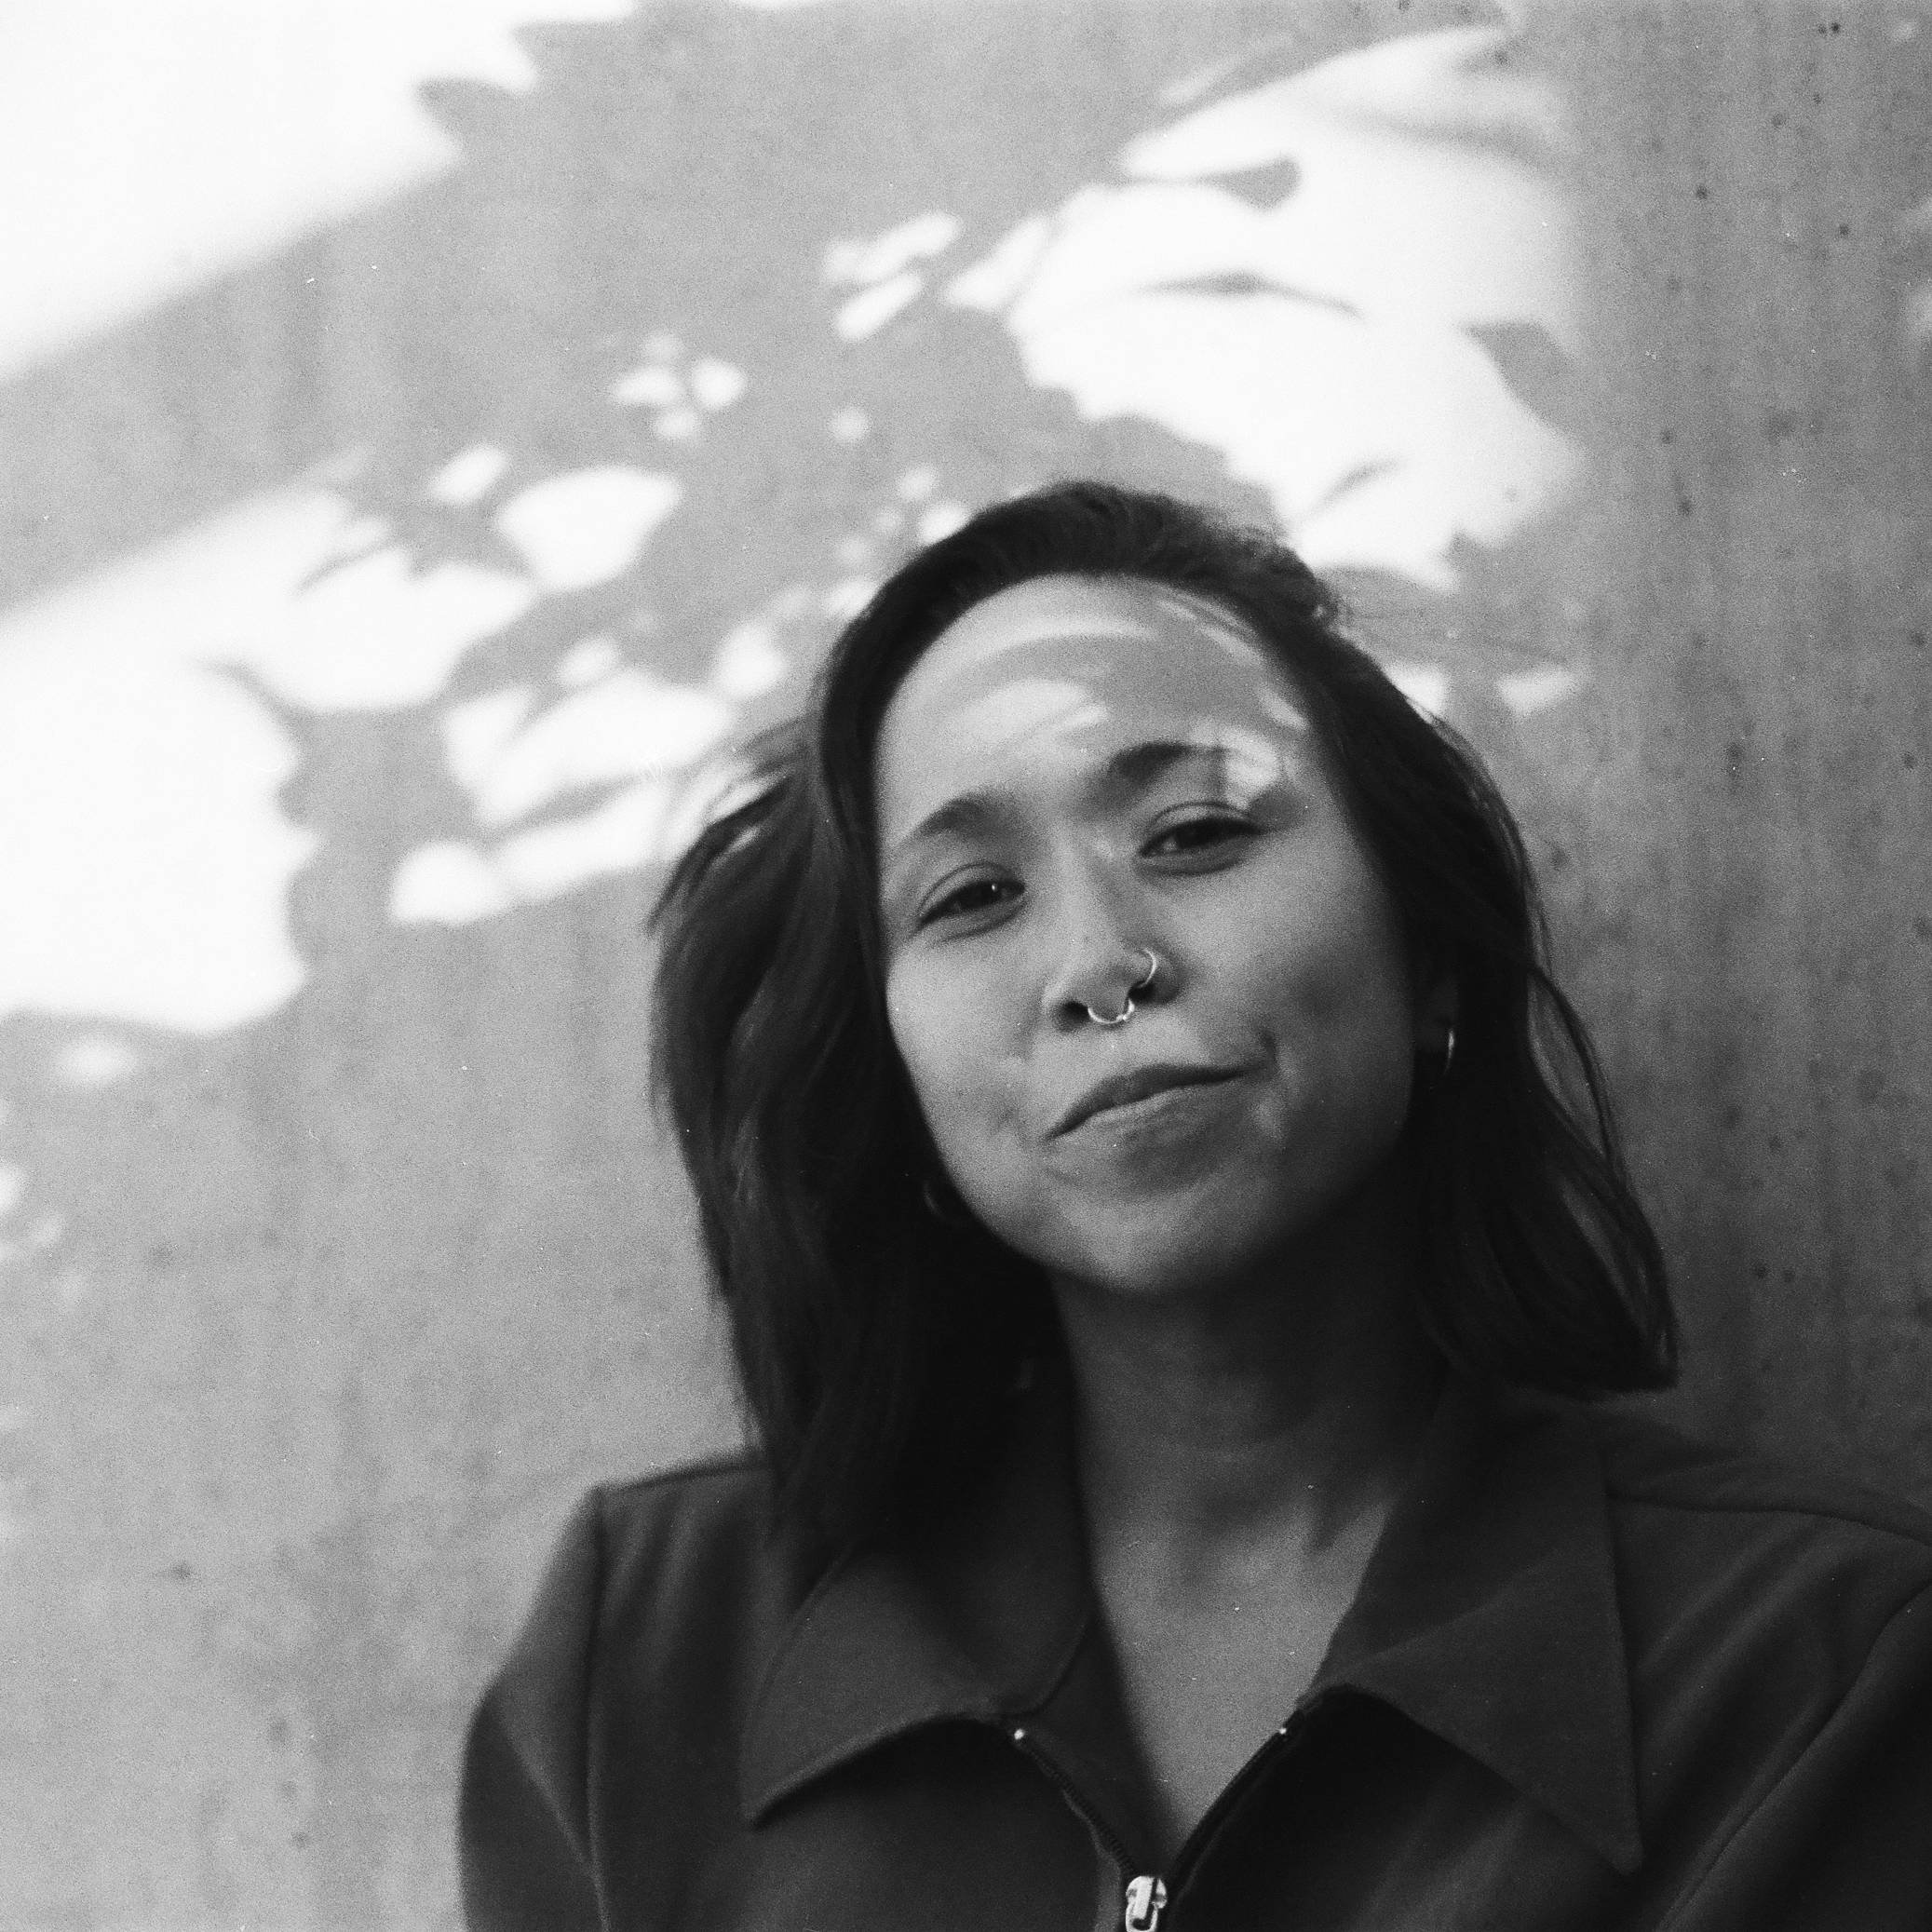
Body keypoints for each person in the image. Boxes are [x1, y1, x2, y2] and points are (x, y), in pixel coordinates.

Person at [460, 483, 1932, 1930]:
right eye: (971, 897)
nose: (1100, 961)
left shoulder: (1813, 1665)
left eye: (1196, 832)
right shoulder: (641, 1654)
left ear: (1426, 952)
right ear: (891, 1074)